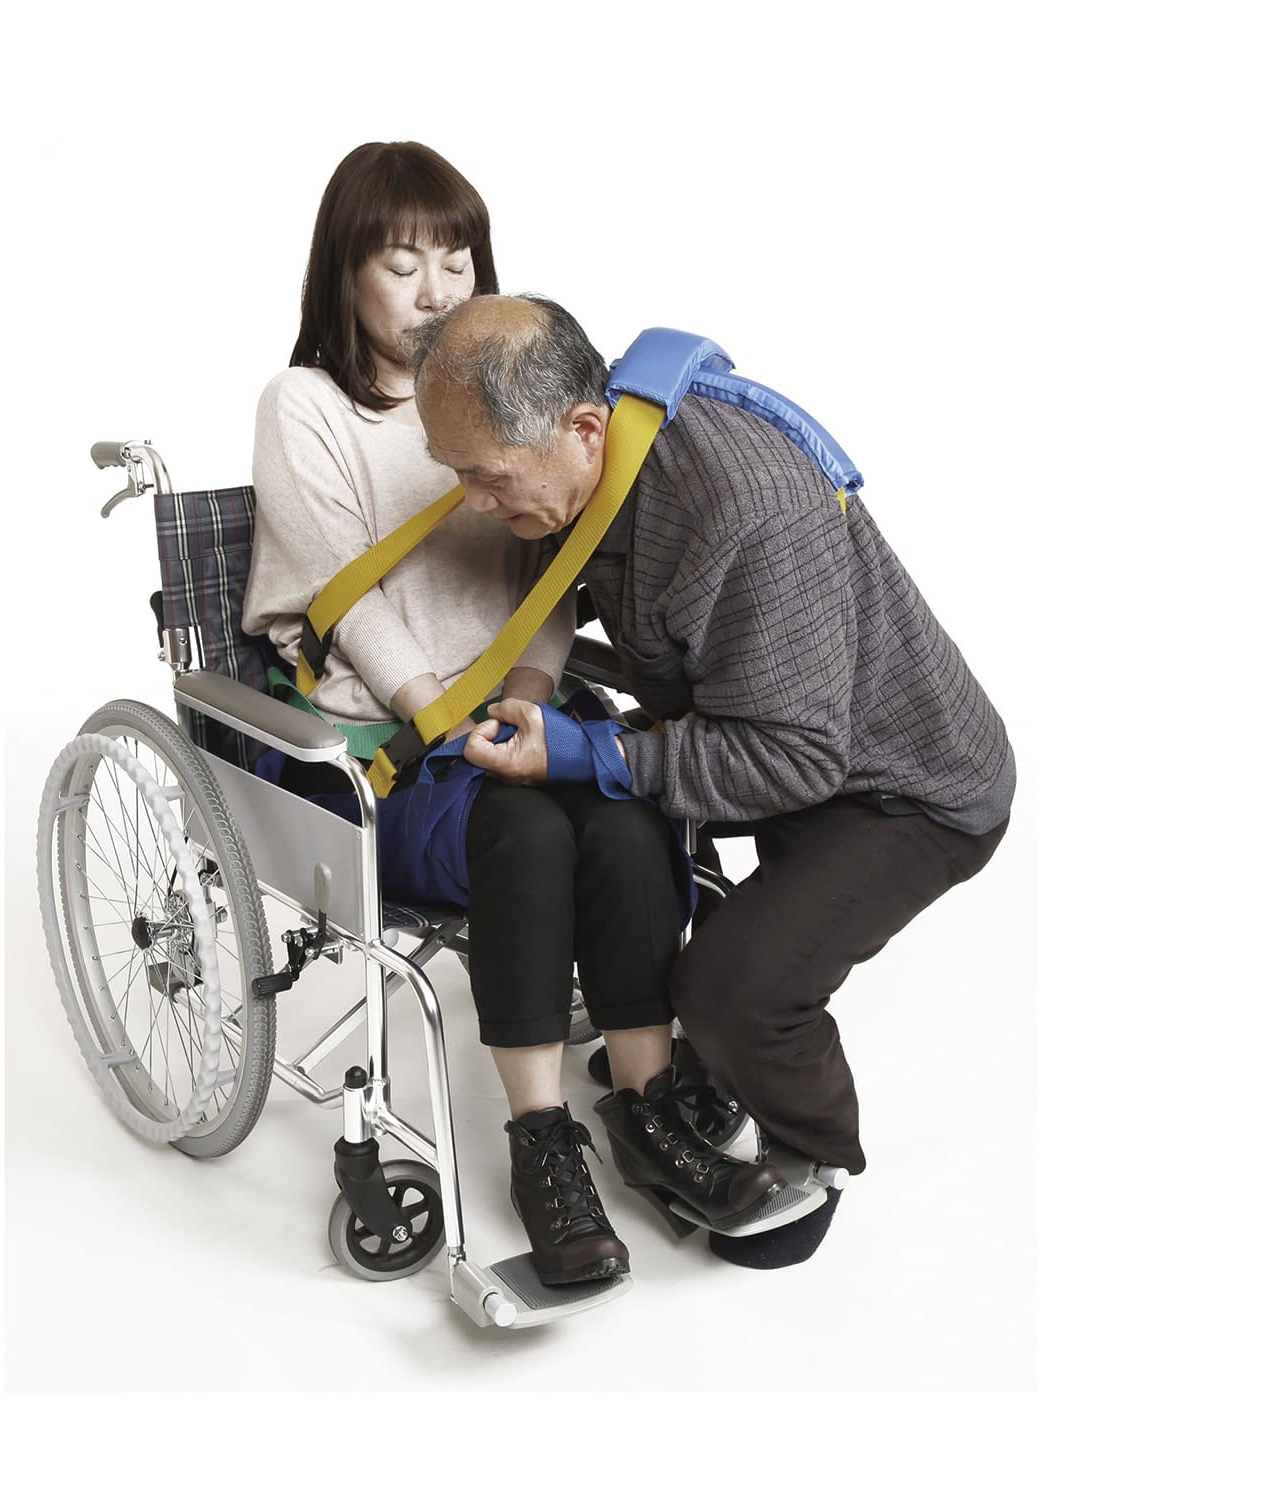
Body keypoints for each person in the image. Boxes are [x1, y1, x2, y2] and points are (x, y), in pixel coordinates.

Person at [243, 144, 780, 1285]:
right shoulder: (306, 409)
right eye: (402, 266)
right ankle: (543, 1143)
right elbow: (348, 601)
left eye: (458, 261)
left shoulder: (507, 399)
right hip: (380, 750)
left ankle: (647, 1109)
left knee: (626, 809)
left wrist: (528, 704)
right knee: (526, 827)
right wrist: (448, 722)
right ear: (344, 274)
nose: (435, 290)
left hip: (515, 713)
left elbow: (553, 577)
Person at [411, 293, 1016, 1269]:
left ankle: (816, 1161)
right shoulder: (593, 460)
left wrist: (595, 753)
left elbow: (794, 758)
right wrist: (529, 695)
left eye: (486, 476)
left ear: (583, 429)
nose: (475, 502)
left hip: (906, 786)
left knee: (737, 990)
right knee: (637, 854)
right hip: (787, 734)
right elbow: (556, 579)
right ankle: (671, 1085)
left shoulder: (741, 510)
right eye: (457, 474)